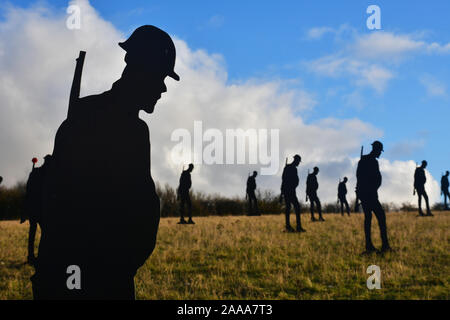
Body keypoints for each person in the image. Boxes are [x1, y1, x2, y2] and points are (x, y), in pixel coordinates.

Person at [33, 25, 179, 299]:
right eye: (160, 77)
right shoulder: (130, 131)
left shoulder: (87, 115)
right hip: (98, 280)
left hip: (86, 275)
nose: (162, 88)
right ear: (141, 71)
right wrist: (117, 266)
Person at [356, 141, 391, 254]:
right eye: (380, 151)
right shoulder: (371, 162)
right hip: (369, 194)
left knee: (368, 218)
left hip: (365, 193)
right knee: (380, 217)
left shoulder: (364, 160)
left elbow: (360, 177)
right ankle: (384, 246)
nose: (380, 153)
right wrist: (371, 189)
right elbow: (365, 178)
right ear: (376, 149)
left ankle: (369, 246)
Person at [22, 155, 52, 265]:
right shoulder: (46, 175)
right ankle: (35, 256)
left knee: (34, 232)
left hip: (34, 208)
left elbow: (28, 190)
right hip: (39, 209)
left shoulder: (36, 172)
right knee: (44, 232)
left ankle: (32, 256)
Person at [280, 155, 306, 233]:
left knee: (292, 207)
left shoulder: (291, 168)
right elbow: (284, 180)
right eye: (298, 162)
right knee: (293, 207)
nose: (299, 163)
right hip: (288, 190)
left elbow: (287, 180)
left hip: (290, 190)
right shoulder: (290, 168)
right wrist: (283, 192)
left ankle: (294, 226)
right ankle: (291, 227)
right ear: (296, 160)